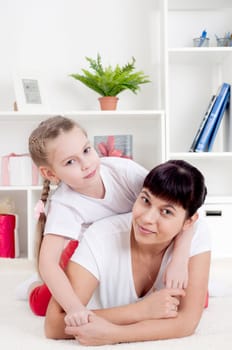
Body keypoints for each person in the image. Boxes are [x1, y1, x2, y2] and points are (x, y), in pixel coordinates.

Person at [18, 116, 195, 323]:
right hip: (94, 259)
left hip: (137, 251)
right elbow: (48, 263)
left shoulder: (123, 171)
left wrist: (179, 260)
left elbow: (182, 210)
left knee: (191, 297)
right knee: (44, 305)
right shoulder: (64, 205)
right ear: (50, 173)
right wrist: (75, 308)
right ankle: (32, 286)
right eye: (70, 161)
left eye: (86, 150)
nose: (86, 164)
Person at [44, 159, 211, 346]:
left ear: (189, 222)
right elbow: (53, 325)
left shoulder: (196, 234)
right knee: (42, 297)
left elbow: (187, 323)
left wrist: (115, 334)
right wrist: (142, 311)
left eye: (166, 212)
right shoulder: (101, 236)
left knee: (197, 299)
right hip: (79, 254)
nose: (147, 218)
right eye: (145, 200)